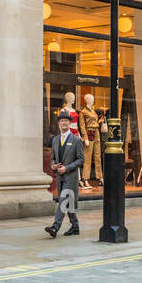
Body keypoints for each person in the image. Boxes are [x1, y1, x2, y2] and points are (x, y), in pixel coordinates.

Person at [45, 110, 85, 238]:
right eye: (61, 121)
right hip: (59, 177)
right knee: (69, 202)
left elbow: (81, 159)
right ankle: (75, 226)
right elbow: (53, 158)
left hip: (70, 177)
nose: (64, 123)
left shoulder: (76, 140)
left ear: (70, 123)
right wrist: (53, 166)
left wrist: (66, 168)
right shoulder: (55, 140)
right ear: (58, 124)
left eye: (66, 121)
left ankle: (55, 227)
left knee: (63, 199)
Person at [79, 93, 101, 188]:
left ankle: (100, 177)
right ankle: (85, 179)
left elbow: (95, 121)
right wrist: (85, 137)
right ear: (87, 100)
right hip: (89, 132)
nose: (93, 100)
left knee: (97, 155)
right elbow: (82, 126)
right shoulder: (83, 112)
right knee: (87, 157)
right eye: (91, 99)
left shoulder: (93, 111)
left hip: (96, 132)